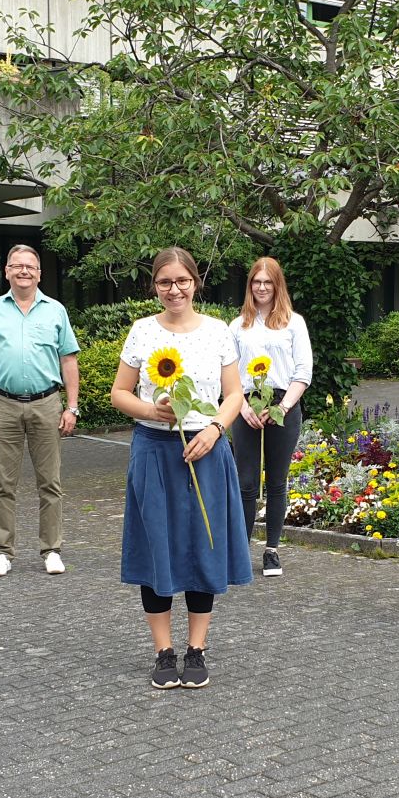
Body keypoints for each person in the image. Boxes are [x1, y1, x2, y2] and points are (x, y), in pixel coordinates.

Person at [111, 247, 252, 689]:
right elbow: (120, 393)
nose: (174, 290)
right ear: (155, 286)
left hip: (207, 451)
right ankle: (162, 651)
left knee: (201, 546)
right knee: (157, 548)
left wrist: (213, 429)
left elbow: (234, 394)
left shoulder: (217, 333)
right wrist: (152, 413)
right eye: (165, 282)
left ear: (195, 282)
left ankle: (196, 648)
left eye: (182, 281)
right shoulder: (142, 332)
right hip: (155, 451)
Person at [0, 245, 80, 578]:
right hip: (3, 404)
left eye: (30, 266)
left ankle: (52, 550)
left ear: (40, 273)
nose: (24, 271)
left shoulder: (55, 311)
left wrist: (72, 407)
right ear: (6, 271)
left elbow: (68, 360)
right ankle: (3, 551)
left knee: (51, 482)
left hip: (47, 403)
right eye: (17, 266)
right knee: (3, 483)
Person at [229, 257, 313, 577]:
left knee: (277, 480)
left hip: (283, 404)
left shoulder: (294, 323)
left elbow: (303, 372)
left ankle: (272, 550)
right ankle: (241, 550)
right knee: (246, 482)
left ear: (278, 285)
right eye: (256, 282)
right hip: (246, 404)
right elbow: (229, 374)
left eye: (268, 282)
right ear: (250, 285)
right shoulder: (238, 326)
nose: (262, 287)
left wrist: (282, 407)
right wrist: (242, 407)